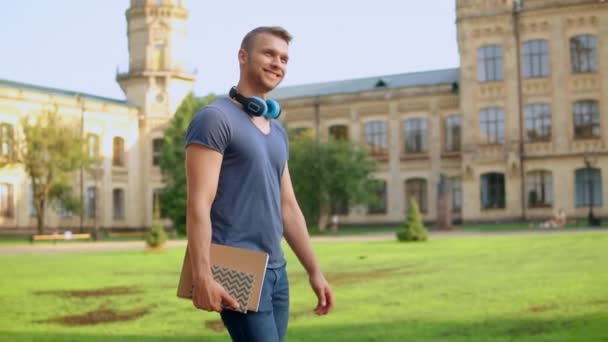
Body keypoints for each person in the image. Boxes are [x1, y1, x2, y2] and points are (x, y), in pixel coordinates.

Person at [184, 26, 334, 342]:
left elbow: (288, 206)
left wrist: (314, 270)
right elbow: (199, 202)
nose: (277, 63)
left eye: (284, 58)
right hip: (234, 264)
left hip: (276, 269)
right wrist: (202, 275)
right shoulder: (215, 119)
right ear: (242, 57)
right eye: (269, 53)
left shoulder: (276, 130)